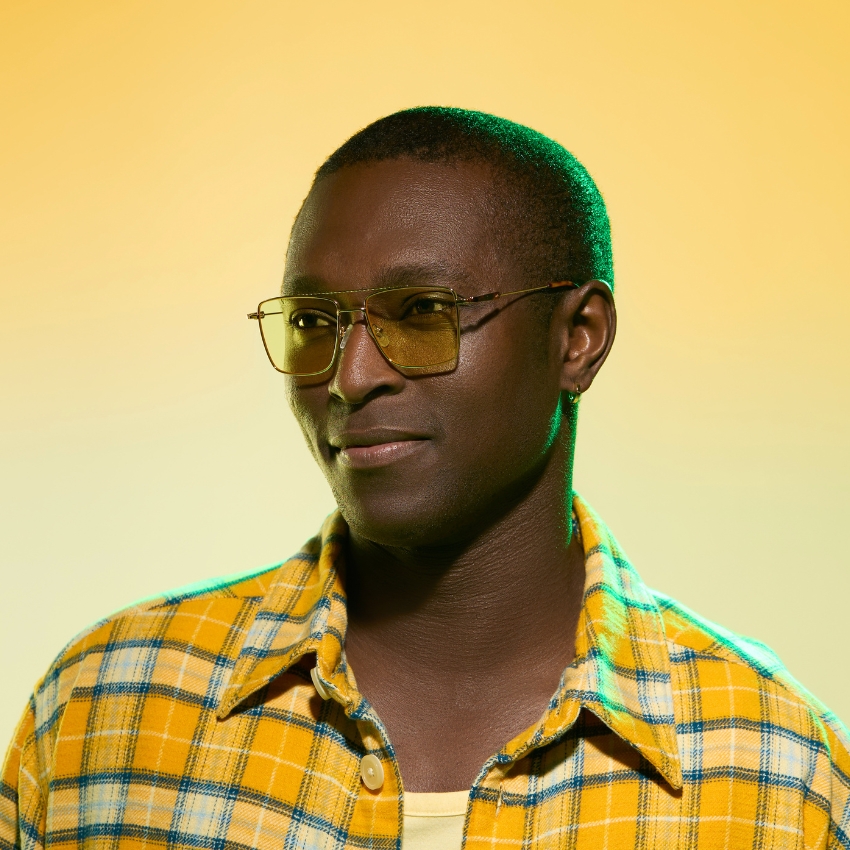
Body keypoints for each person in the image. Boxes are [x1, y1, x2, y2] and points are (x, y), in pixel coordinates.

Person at [2, 107, 848, 850]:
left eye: (422, 314)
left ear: (578, 338)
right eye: (312, 321)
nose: (347, 375)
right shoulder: (103, 710)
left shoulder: (776, 771)